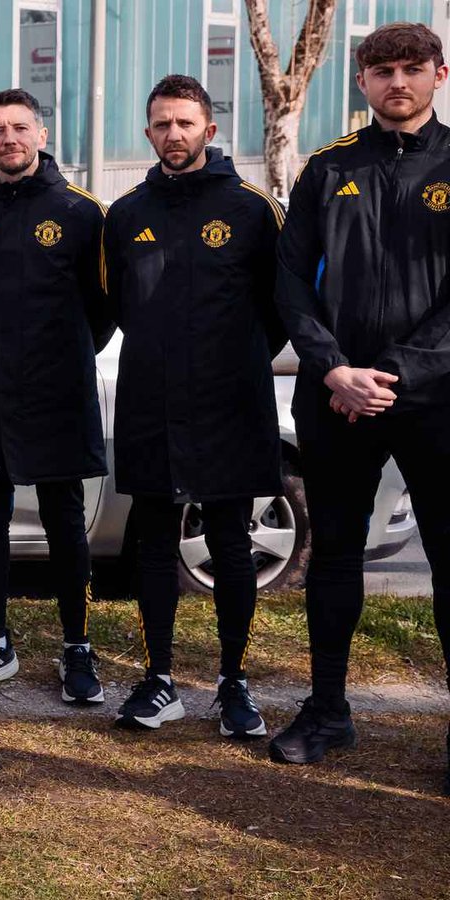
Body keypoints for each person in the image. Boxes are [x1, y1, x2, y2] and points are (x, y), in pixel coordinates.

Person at [270, 24, 450, 787]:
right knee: (335, 550)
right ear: (362, 81)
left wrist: (395, 373)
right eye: (382, 71)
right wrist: (333, 368)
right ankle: (328, 709)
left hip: (435, 398)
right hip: (337, 396)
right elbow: (287, 281)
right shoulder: (327, 168)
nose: (396, 82)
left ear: (440, 74)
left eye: (412, 69)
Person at [103, 75, 284, 736]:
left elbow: (279, 308)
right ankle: (159, 682)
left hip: (231, 405)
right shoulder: (124, 215)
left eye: (185, 123)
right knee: (153, 547)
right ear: (147, 133)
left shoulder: (252, 209)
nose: (173, 135)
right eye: (161, 124)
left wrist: (228, 361)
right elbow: (116, 302)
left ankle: (234, 684)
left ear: (209, 129)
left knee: (231, 547)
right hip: (150, 403)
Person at [0, 88, 111, 705]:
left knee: (66, 523)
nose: (8, 139)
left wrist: (56, 362)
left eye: (19, 128)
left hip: (57, 398)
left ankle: (77, 646)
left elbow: (102, 312)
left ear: (40, 133)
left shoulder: (82, 212)